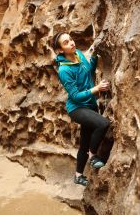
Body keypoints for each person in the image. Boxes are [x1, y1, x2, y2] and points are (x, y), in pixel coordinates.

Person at [52, 32, 110, 186]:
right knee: (103, 124)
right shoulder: (64, 70)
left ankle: (78, 176)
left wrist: (96, 56)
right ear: (60, 50)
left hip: (90, 105)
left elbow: (88, 73)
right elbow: (76, 96)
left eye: (70, 39)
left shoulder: (78, 54)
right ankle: (93, 155)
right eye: (66, 42)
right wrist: (96, 89)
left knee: (84, 143)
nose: (71, 43)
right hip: (77, 108)